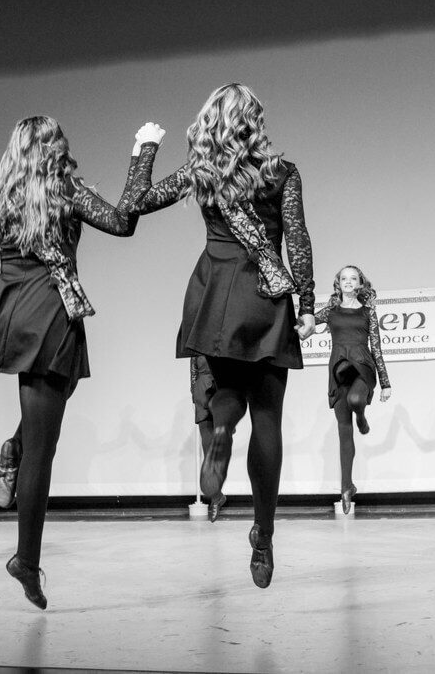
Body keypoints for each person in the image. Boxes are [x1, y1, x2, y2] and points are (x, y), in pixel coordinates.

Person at [0, 116, 163, 609]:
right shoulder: (68, 189)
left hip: (14, 315)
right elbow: (123, 222)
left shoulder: (0, 200)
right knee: (44, 447)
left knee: (47, 417)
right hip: (50, 311)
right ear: (56, 148)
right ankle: (25, 559)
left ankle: (15, 447)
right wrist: (142, 152)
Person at [130, 83, 316, 589]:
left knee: (227, 392)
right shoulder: (281, 172)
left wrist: (145, 149)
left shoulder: (201, 173)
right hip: (264, 297)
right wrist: (307, 304)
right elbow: (296, 240)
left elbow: (135, 203)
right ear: (255, 122)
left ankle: (219, 432)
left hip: (214, 293)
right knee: (270, 418)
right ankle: (264, 537)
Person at [312, 265, 391, 514]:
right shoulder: (330, 312)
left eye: (352, 278)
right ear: (339, 283)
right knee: (343, 432)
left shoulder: (368, 312)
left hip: (363, 366)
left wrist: (385, 382)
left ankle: (362, 414)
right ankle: (346, 487)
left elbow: (377, 349)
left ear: (359, 283)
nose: (348, 282)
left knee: (357, 399)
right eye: (343, 278)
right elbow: (305, 324)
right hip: (339, 370)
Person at [190, 355, 227, 522]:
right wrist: (194, 393)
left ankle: (216, 496)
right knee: (207, 448)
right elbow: (193, 372)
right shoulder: (195, 344)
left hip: (220, 389)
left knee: (220, 446)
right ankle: (216, 497)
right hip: (202, 392)